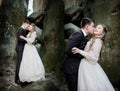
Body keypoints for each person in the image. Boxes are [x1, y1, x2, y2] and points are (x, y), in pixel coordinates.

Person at [72, 24, 115, 91]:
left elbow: (94, 58)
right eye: (96, 27)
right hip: (85, 65)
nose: (96, 28)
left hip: (90, 67)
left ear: (102, 33)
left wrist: (80, 51)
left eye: (99, 28)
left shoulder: (98, 41)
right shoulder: (93, 39)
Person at [62, 18, 95, 91]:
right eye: (93, 26)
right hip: (71, 68)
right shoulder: (78, 34)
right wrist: (82, 55)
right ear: (86, 27)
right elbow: (68, 50)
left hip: (76, 67)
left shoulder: (85, 36)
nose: (94, 28)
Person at [15, 20, 30, 85]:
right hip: (20, 48)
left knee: (21, 64)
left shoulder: (24, 30)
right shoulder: (20, 29)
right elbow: (20, 39)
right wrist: (26, 40)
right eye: (27, 25)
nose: (27, 26)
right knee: (19, 63)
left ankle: (21, 78)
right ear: (24, 23)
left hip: (22, 48)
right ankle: (17, 79)